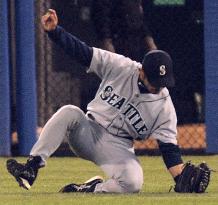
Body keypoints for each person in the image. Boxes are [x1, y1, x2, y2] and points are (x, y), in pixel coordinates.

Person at [6, 9, 210, 194]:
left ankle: (88, 189)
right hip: (88, 131)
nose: (157, 86)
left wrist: (180, 176)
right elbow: (84, 53)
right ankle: (31, 167)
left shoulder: (164, 108)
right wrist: (55, 32)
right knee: (69, 112)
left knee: (133, 182)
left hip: (118, 147)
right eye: (153, 80)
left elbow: (169, 150)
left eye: (162, 82)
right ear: (141, 71)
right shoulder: (122, 66)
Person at [92, 0, 157, 61]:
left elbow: (139, 14)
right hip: (116, 39)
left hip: (135, 41)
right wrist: (106, 41)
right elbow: (101, 15)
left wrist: (149, 39)